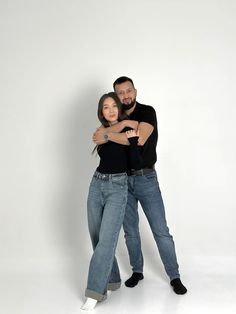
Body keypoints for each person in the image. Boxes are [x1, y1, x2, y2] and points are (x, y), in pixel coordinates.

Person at [93, 77, 187, 295]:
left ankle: (174, 276)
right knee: (131, 232)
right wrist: (119, 128)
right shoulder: (117, 116)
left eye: (128, 91)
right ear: (116, 95)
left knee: (160, 231)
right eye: (120, 93)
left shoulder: (147, 112)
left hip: (146, 179)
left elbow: (140, 140)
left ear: (135, 91)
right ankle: (137, 271)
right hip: (121, 181)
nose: (125, 96)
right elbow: (98, 136)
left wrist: (110, 134)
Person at [81, 92, 142, 311]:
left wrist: (132, 140)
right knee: (97, 237)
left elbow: (134, 163)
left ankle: (95, 292)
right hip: (97, 184)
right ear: (102, 112)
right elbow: (101, 137)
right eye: (106, 107)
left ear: (119, 107)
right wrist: (123, 124)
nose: (111, 110)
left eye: (114, 106)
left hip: (118, 187)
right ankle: (113, 280)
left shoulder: (127, 131)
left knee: (107, 240)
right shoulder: (100, 131)